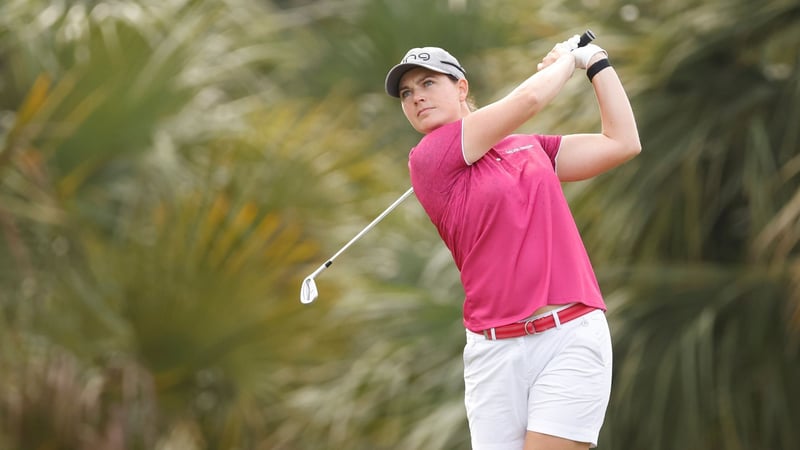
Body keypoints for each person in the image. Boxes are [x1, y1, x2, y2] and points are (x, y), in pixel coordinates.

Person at [383, 34, 641, 450]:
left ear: (461, 87)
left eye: (428, 83)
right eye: (407, 93)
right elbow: (528, 102)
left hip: (569, 335)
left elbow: (622, 142)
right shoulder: (428, 157)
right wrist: (567, 57)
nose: (416, 98)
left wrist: (594, 61)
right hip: (493, 354)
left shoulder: (530, 148)